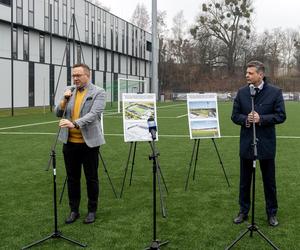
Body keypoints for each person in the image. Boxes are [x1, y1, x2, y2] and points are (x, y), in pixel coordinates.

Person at [231, 60, 286, 227]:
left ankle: (272, 213)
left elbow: (281, 116)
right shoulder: (241, 93)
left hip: (267, 144)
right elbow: (234, 116)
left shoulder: (275, 92)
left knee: (269, 181)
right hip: (247, 143)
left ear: (260, 75)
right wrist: (246, 119)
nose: (246, 75)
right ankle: (243, 211)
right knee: (244, 181)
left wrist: (261, 119)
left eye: (250, 73)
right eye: (246, 73)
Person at [55, 63, 106, 224]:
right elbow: (57, 112)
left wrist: (74, 123)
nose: (75, 78)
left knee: (91, 178)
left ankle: (92, 210)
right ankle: (74, 210)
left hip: (89, 143)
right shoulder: (69, 91)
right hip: (69, 143)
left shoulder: (98, 92)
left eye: (78, 75)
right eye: (73, 76)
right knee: (72, 178)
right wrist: (64, 99)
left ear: (87, 75)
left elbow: (94, 114)